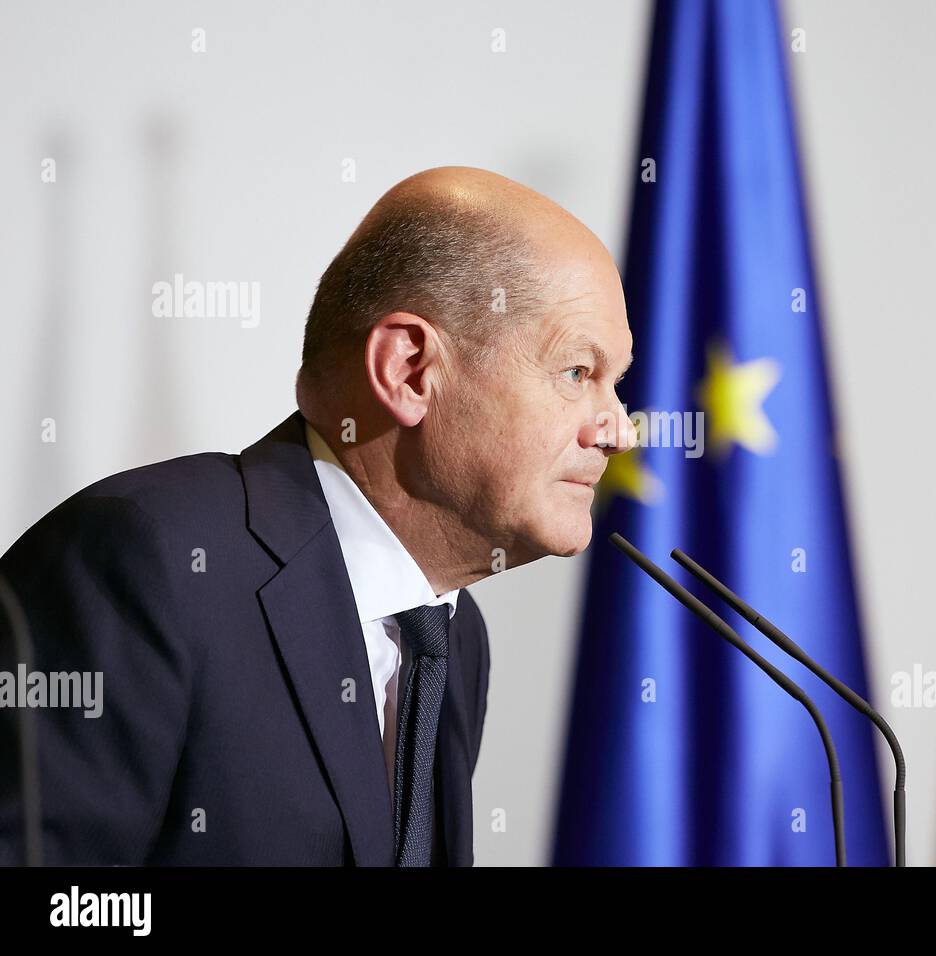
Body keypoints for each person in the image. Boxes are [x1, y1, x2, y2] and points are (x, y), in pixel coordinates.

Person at [0, 166, 637, 865]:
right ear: (410, 370)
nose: (617, 430)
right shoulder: (146, 562)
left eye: (615, 383)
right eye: (578, 373)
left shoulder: (453, 636)